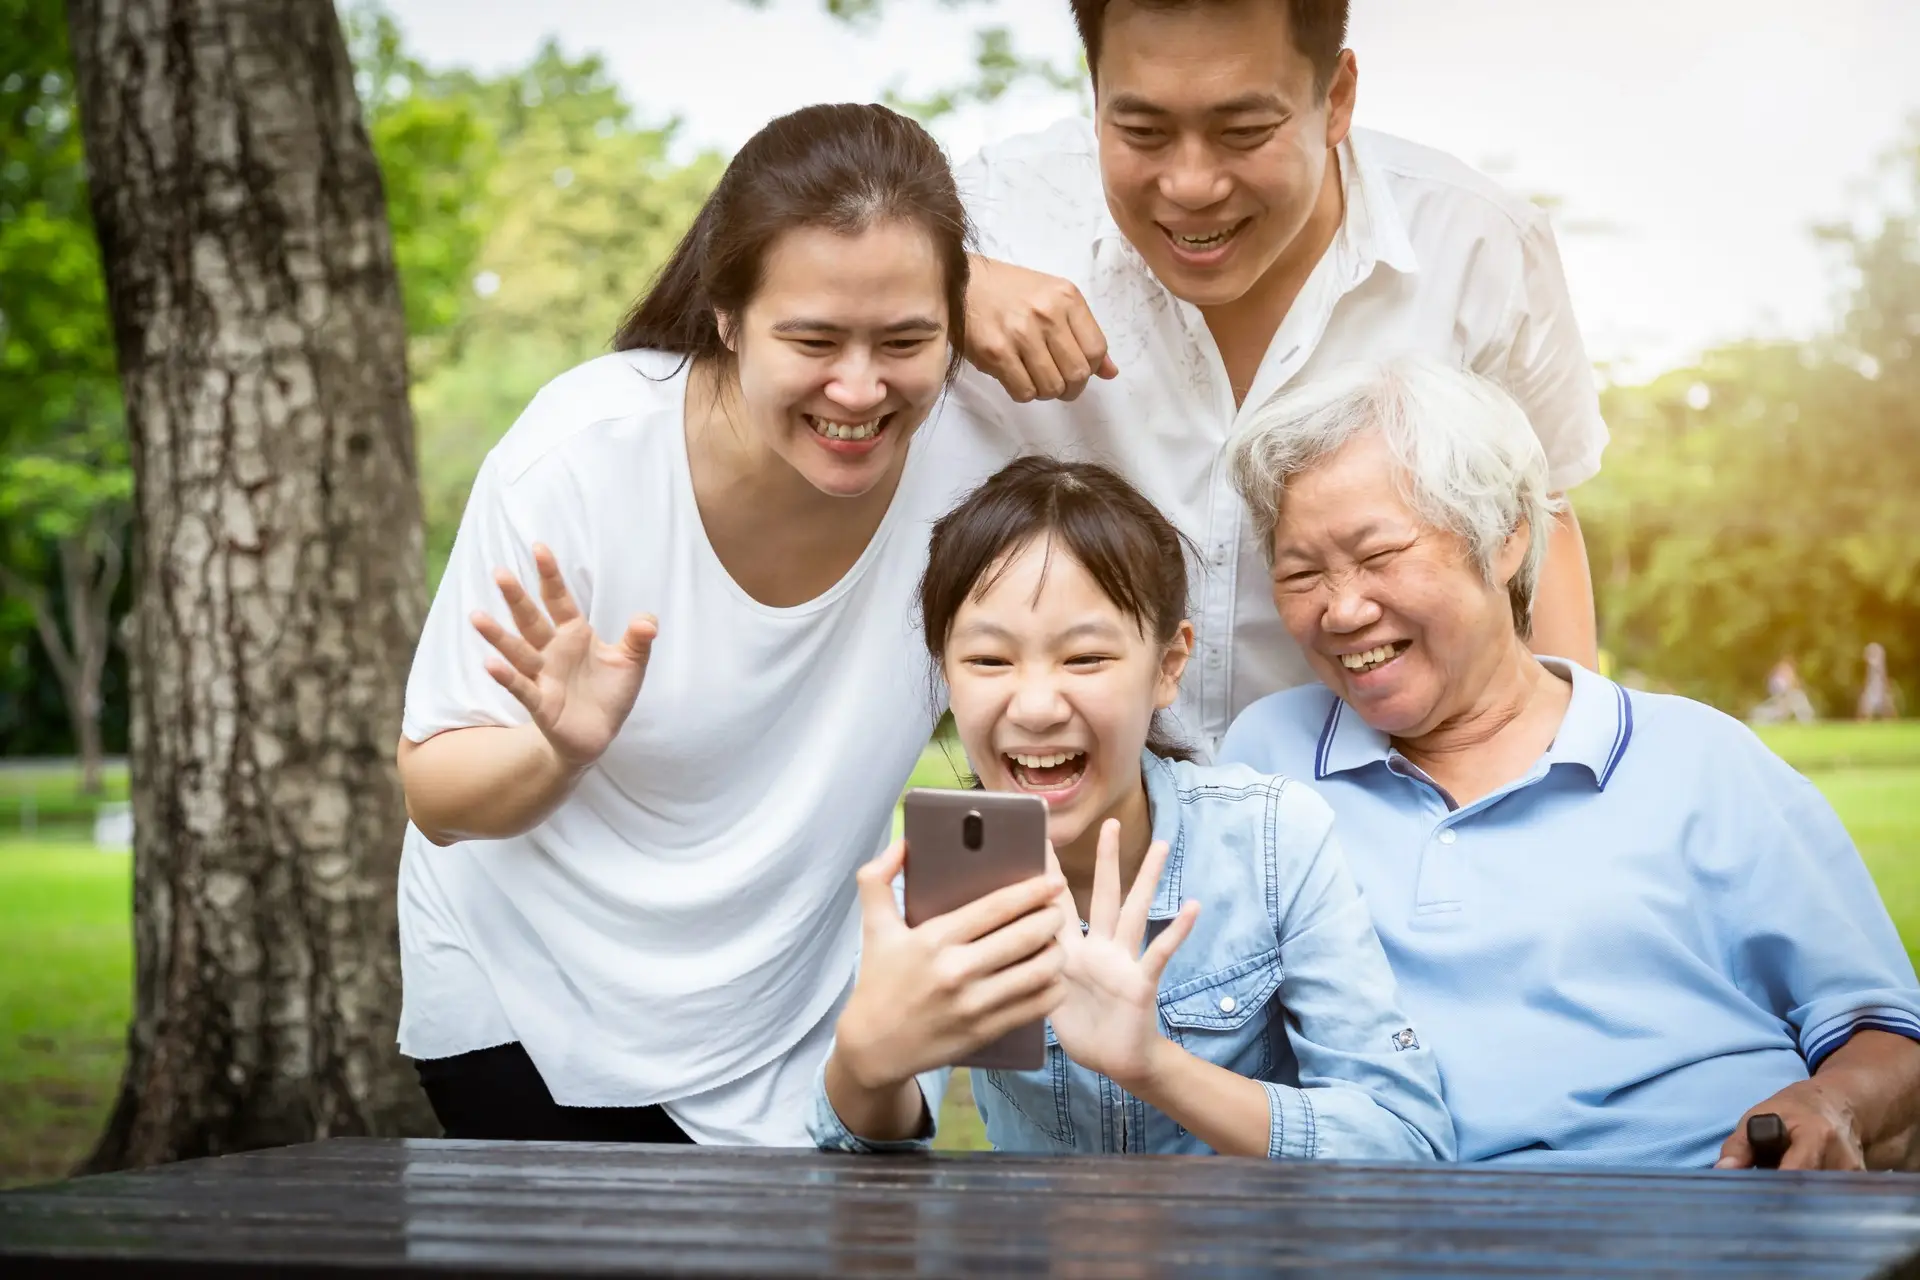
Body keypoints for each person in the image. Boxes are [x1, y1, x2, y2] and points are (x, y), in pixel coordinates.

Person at [391, 104, 1036, 1145]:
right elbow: (434, 794)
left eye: (907, 339)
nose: (861, 387)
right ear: (728, 317)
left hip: (794, 1019)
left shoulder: (980, 471)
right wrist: (560, 751)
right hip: (530, 998)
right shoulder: (581, 454)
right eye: (814, 339)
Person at [1219, 355, 1920, 1169]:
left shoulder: (1699, 758)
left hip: (1709, 1203)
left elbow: (1890, 1032)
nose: (1342, 609)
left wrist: (1831, 1101)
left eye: (1378, 557)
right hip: (1405, 1229)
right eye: (1302, 573)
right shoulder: (1266, 760)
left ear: (1506, 537)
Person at [948, 0, 1607, 759]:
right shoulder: (992, 218)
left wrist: (1572, 773)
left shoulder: (1479, 246)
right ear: (1094, 97)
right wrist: (942, 281)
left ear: (1337, 98)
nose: (1191, 185)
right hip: (1082, 812)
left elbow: (1539, 513)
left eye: (1243, 131)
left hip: (1382, 811)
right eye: (1142, 132)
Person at [810, 456, 1453, 1161]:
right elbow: (858, 1153)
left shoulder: (1272, 841)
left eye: (1084, 659)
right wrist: (866, 1063)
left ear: (1169, 665)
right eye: (989, 661)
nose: (1035, 706)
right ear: (946, 675)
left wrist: (1154, 1065)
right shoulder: (943, 881)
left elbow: (1406, 1139)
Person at [1859, 643, 1899, 721]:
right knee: (1867, 710)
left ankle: (1893, 723)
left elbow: (1882, 675)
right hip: (1874, 690)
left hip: (1877, 690)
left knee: (1886, 709)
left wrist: (1886, 687)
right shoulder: (1873, 665)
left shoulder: (1876, 664)